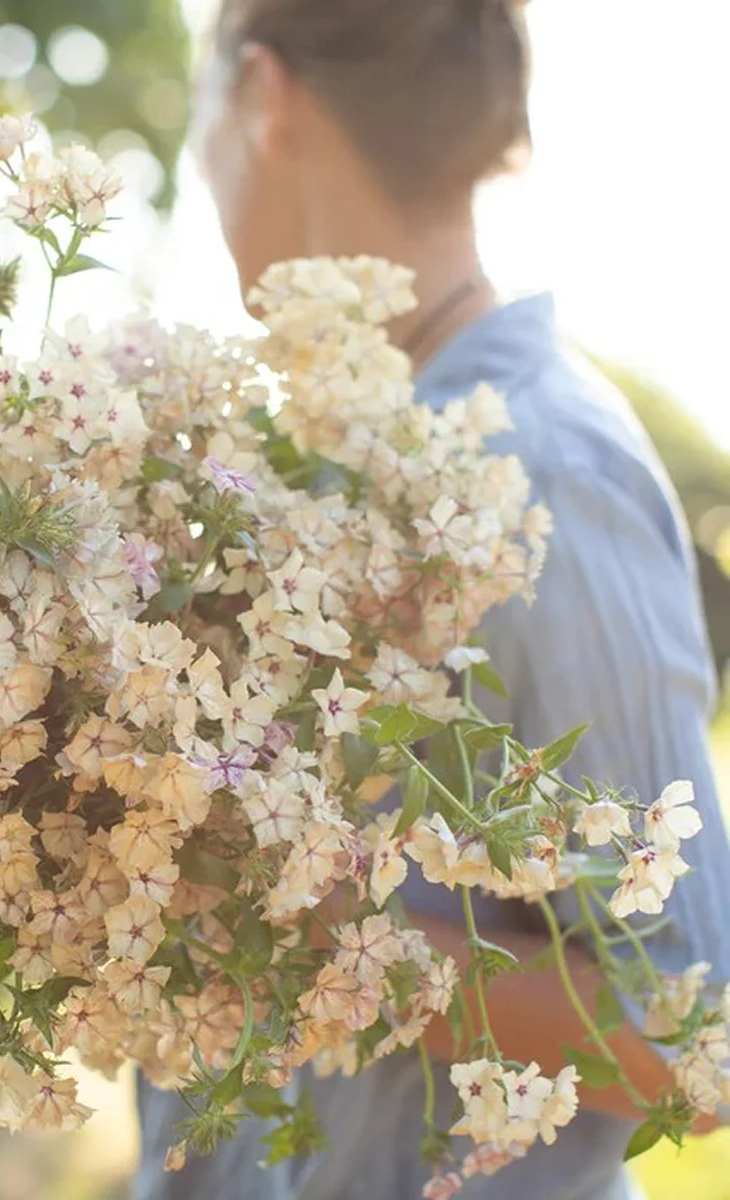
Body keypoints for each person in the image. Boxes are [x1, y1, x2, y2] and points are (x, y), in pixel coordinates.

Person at [133, 1, 730, 1197]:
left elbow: (696, 1036)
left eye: (199, 123)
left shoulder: (546, 470)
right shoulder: (304, 467)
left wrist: (331, 952)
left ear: (264, 99)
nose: (202, 176)